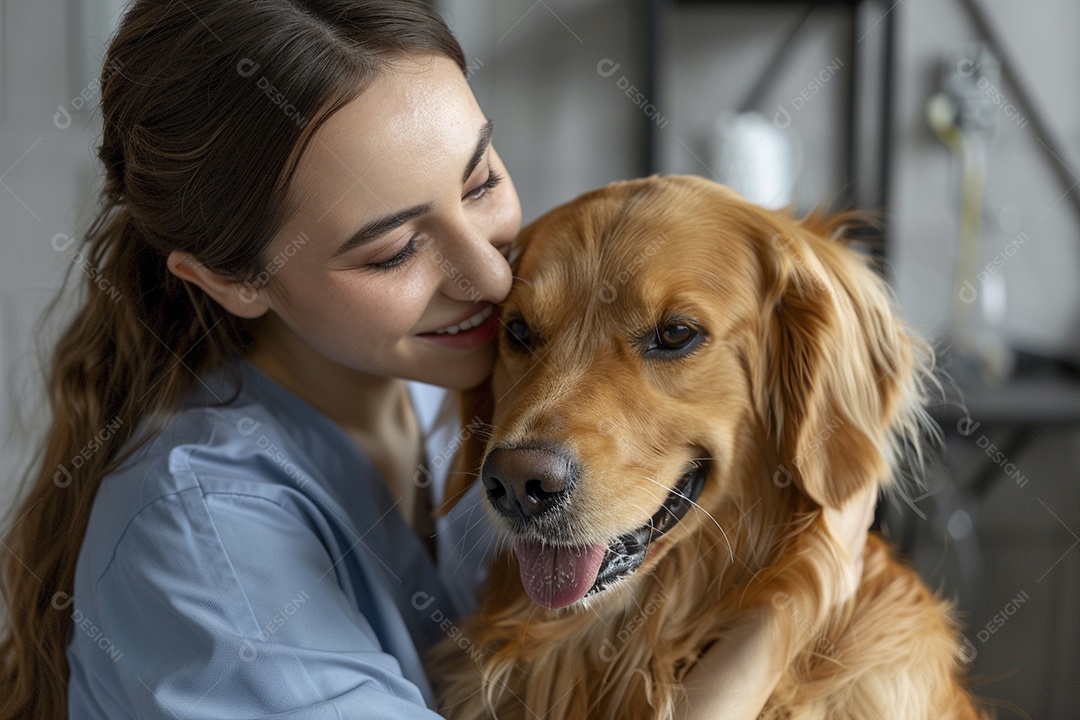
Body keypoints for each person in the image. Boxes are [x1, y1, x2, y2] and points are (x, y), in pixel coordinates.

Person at [0, 2, 875, 718]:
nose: (495, 272)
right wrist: (762, 649)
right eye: (391, 252)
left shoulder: (447, 394)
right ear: (234, 280)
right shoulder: (201, 542)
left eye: (481, 180)